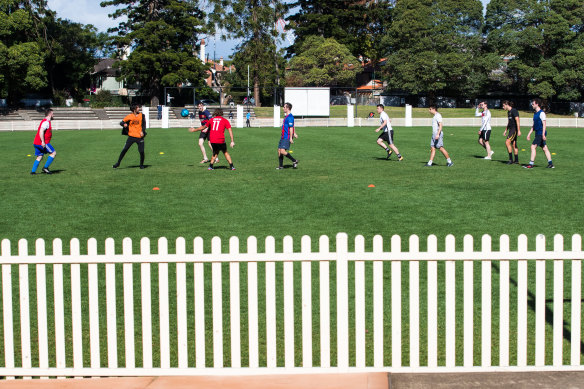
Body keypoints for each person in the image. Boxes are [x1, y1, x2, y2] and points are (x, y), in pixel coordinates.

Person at [113, 103, 146, 169]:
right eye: (137, 107)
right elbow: (121, 122)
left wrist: (143, 131)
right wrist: (124, 124)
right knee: (124, 149)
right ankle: (118, 163)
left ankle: (141, 165)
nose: (139, 108)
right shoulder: (129, 116)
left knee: (141, 151)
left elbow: (144, 125)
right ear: (134, 109)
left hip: (140, 137)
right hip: (131, 137)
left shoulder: (142, 115)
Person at [524, 98, 554, 169]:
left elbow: (544, 124)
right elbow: (534, 126)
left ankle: (531, 164)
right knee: (545, 148)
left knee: (533, 146)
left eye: (533, 103)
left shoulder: (542, 113)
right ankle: (550, 164)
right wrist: (529, 134)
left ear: (537, 104)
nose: (532, 105)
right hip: (537, 133)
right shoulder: (535, 114)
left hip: (541, 133)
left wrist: (543, 134)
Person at [31, 108, 56, 175]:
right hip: (42, 143)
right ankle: (45, 168)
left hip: (36, 142)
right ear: (50, 114)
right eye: (53, 114)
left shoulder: (44, 121)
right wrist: (43, 142)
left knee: (39, 156)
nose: (53, 115)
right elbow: (41, 131)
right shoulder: (46, 122)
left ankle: (33, 172)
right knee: (53, 153)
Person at [276, 102, 299, 170]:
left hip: (287, 137)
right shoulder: (286, 117)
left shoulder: (290, 117)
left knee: (282, 151)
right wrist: (294, 134)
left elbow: (291, 128)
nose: (283, 108)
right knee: (279, 151)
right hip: (283, 136)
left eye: (284, 107)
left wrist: (291, 138)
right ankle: (281, 166)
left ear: (288, 108)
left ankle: (294, 160)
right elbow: (289, 127)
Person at [502, 100, 521, 164]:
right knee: (514, 144)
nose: (503, 107)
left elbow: (517, 120)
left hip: (514, 129)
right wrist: (505, 130)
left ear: (507, 104)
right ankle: (516, 160)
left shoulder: (514, 111)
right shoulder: (508, 112)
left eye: (503, 105)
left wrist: (519, 130)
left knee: (507, 142)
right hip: (511, 129)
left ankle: (510, 160)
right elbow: (509, 122)